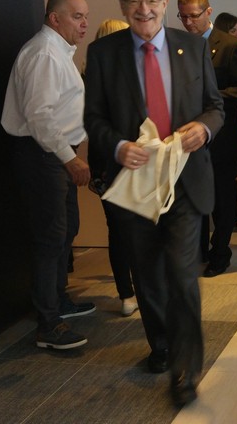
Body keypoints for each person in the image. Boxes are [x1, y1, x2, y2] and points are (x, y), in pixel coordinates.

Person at [84, 0, 224, 407]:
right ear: (122, 4)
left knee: (182, 275)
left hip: (185, 180)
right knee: (147, 276)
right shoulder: (103, 53)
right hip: (135, 184)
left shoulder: (193, 46)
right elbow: (93, 119)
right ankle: (160, 344)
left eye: (151, 0)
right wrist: (118, 146)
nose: (143, 9)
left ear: (165, 3)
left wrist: (204, 128)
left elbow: (215, 106)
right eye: (133, 0)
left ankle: (186, 369)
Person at [1, 0, 95, 350]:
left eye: (85, 16)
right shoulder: (43, 53)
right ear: (55, 18)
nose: (84, 24)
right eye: (77, 16)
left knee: (66, 229)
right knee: (51, 236)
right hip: (44, 154)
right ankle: (49, 324)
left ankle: (59, 300)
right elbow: (40, 116)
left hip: (57, 153)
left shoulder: (59, 51)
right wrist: (69, 158)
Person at [177, 0, 237, 277]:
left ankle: (221, 253)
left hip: (222, 136)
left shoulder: (230, 45)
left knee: (222, 198)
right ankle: (198, 251)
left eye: (194, 16)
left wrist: (207, 97)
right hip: (188, 136)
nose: (188, 23)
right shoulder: (179, 45)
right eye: (183, 17)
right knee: (192, 196)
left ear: (208, 12)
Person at [88, 17, 138, 317]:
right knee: (122, 231)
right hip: (114, 164)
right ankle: (128, 292)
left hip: (115, 164)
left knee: (122, 231)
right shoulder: (102, 82)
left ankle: (129, 292)